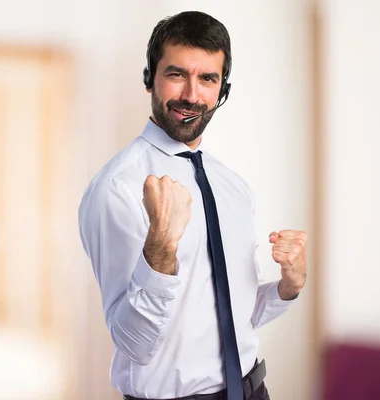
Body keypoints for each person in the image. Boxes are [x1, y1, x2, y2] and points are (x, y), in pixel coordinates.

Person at [78, 10, 307, 400]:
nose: (191, 95)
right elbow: (132, 342)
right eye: (176, 74)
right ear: (150, 77)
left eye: (207, 79)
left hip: (254, 391)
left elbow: (236, 316)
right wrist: (160, 249)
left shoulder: (233, 187)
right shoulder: (116, 187)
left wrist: (288, 287)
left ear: (222, 91)